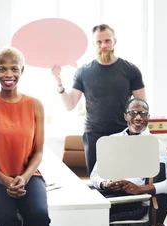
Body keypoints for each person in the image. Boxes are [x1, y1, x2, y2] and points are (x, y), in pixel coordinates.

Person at [0, 47, 50, 226]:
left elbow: (38, 152)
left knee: (39, 217)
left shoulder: (35, 105)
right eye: (2, 69)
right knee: (8, 220)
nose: (8, 74)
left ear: (22, 71)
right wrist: (3, 179)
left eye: (14, 69)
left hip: (27, 176)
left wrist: (23, 178)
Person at [52, 24, 146, 175]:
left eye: (107, 41)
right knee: (99, 183)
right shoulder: (83, 72)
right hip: (94, 135)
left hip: (123, 133)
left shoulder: (130, 70)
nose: (103, 45)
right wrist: (58, 82)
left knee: (125, 181)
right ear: (93, 44)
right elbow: (69, 105)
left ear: (115, 41)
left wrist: (137, 133)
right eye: (99, 42)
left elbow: (142, 106)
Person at [90, 98, 167, 226]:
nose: (138, 117)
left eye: (143, 113)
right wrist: (104, 184)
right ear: (126, 116)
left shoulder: (155, 145)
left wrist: (141, 189)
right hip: (114, 197)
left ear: (148, 117)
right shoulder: (112, 141)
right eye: (133, 113)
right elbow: (95, 175)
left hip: (141, 201)